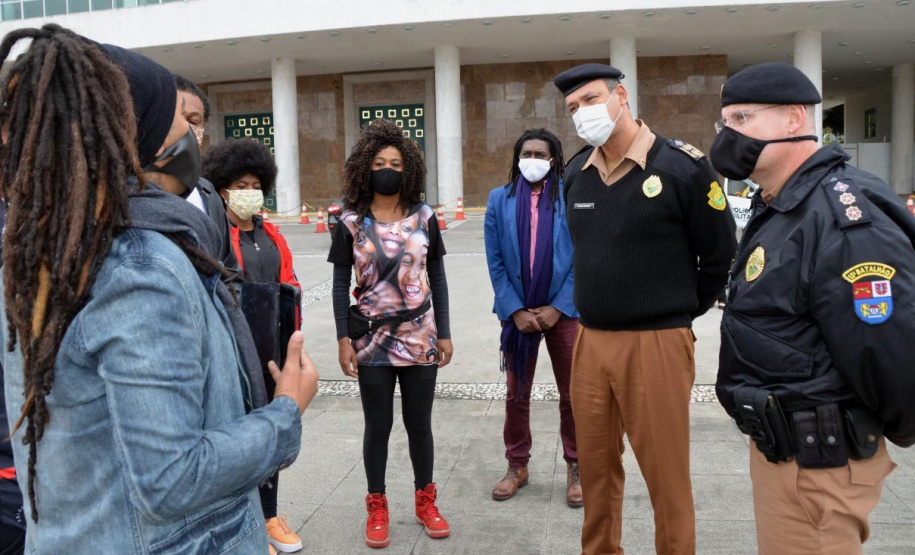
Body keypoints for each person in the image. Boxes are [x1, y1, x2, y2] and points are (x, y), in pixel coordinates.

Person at [0, 25, 318, 554]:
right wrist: (286, 410)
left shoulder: (48, 251)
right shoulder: (139, 267)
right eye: (180, 120)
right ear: (140, 136)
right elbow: (172, 479)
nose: (192, 139)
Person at [712, 62, 915, 555]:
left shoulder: (841, 214)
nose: (727, 135)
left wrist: (894, 426)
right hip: (787, 450)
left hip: (819, 462)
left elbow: (886, 347)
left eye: (742, 118)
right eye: (724, 124)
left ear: (793, 118)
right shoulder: (783, 203)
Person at [553, 63, 737, 555]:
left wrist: (677, 313)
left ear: (621, 95)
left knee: (666, 478)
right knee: (595, 473)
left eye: (591, 100)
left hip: (657, 344)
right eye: (573, 108)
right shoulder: (575, 174)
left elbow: (719, 253)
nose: (582, 114)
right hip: (590, 343)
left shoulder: (682, 166)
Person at [327, 119, 453, 549]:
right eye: (380, 162)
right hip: (370, 343)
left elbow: (436, 273)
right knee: (376, 427)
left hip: (421, 337)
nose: (388, 169)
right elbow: (340, 279)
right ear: (366, 167)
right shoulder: (349, 222)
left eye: (396, 163)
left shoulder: (425, 216)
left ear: (409, 169)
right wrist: (344, 338)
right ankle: (377, 505)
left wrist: (445, 333)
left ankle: (425, 501)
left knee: (420, 425)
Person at [201, 138, 303, 554]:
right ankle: (246, 520)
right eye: (241, 184)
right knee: (240, 436)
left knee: (273, 433)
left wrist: (294, 340)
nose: (249, 192)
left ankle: (269, 514)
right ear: (222, 189)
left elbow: (291, 285)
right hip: (234, 351)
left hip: (273, 351)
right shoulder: (215, 236)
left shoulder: (271, 235)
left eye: (256, 184)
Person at [483, 129, 581, 506]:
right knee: (516, 392)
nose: (533, 159)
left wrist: (559, 305)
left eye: (541, 153)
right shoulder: (499, 200)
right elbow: (495, 261)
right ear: (516, 157)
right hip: (517, 314)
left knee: (572, 394)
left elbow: (581, 256)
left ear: (554, 158)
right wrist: (515, 309)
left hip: (564, 310)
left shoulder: (571, 197)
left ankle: (576, 465)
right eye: (527, 153)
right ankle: (517, 464)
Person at [175, 74, 240, 276]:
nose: (185, 129)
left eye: (193, 121)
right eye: (176, 119)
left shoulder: (208, 191)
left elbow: (229, 269)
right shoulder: (135, 191)